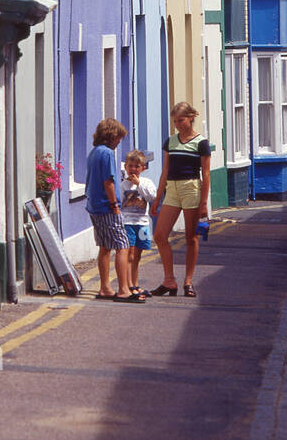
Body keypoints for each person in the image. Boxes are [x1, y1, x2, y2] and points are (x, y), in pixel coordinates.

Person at [150, 102, 211, 298]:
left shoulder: (201, 143)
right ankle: (169, 280)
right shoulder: (170, 141)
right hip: (172, 189)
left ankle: (188, 281)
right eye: (175, 121)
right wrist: (158, 198)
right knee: (160, 235)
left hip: (191, 188)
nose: (177, 125)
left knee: (190, 237)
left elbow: (206, 174)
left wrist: (203, 203)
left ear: (191, 118)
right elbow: (165, 170)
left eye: (181, 121)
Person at [86, 118, 145, 303]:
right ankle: (123, 290)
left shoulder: (94, 152)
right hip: (106, 205)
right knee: (122, 245)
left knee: (104, 246)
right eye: (118, 137)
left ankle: (105, 288)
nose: (119, 141)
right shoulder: (108, 153)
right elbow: (109, 182)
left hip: (93, 205)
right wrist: (115, 206)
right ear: (111, 136)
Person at [120, 150, 157, 297]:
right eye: (130, 166)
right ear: (126, 167)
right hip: (127, 222)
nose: (133, 169)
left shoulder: (146, 182)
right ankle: (129, 285)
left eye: (136, 166)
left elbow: (151, 196)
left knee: (138, 255)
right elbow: (120, 202)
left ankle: (135, 284)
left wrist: (139, 184)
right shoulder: (123, 185)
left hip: (142, 223)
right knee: (130, 254)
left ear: (143, 167)